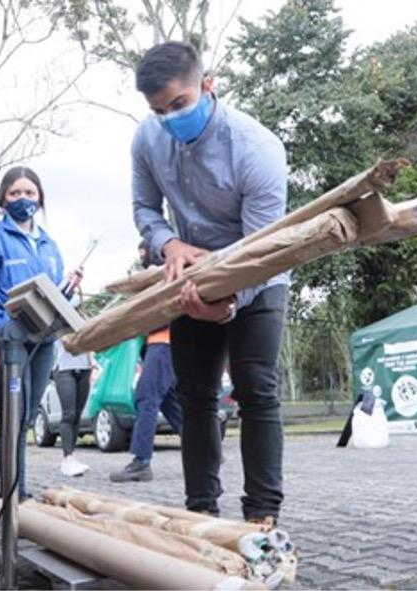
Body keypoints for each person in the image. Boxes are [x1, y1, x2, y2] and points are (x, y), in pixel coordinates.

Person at [130, 42, 289, 524]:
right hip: (189, 275)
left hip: (260, 273)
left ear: (207, 85)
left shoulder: (257, 149)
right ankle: (201, 512)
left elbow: (261, 249)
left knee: (255, 386)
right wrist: (168, 246)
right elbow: (144, 209)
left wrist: (228, 304)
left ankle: (262, 514)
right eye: (158, 110)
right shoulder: (147, 138)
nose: (169, 118)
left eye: (179, 105)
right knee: (195, 393)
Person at [0, 166, 82, 500]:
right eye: (16, 193)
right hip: (6, 340)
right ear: (3, 199)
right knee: (12, 414)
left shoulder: (48, 245)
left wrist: (68, 289)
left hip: (42, 342)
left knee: (27, 416)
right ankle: (14, 494)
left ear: (40, 198)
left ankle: (17, 491)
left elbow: (52, 297)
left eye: (30, 193)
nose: (23, 199)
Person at [111, 242, 183, 483]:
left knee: (146, 395)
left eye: (146, 254)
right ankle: (206, 446)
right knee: (168, 400)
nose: (143, 258)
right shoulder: (155, 279)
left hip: (165, 342)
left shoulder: (169, 272)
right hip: (159, 343)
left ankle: (141, 462)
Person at [53, 332, 93, 477]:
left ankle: (72, 457)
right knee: (68, 414)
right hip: (64, 369)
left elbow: (92, 340)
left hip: (84, 368)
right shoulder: (61, 323)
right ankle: (67, 457)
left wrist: (92, 361)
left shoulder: (83, 320)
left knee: (77, 414)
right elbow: (67, 343)